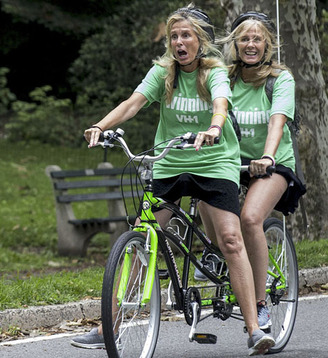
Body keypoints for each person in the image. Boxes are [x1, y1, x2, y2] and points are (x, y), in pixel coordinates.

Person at [71, 5, 275, 355]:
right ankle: (112, 325)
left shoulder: (214, 72)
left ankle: (255, 328)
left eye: (187, 35)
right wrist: (101, 126)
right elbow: (133, 103)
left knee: (229, 239)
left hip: (214, 163)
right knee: (142, 234)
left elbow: (221, 104)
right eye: (175, 36)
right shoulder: (162, 72)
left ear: (201, 41)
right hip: (169, 163)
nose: (180, 42)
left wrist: (214, 127)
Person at [207, 11, 304, 333]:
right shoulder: (225, 78)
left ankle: (260, 304)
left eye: (257, 39)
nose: (251, 44)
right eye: (244, 38)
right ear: (234, 44)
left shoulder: (280, 79)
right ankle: (219, 254)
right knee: (201, 189)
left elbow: (277, 121)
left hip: (271, 163)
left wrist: (266, 155)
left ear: (268, 45)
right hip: (231, 161)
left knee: (250, 218)